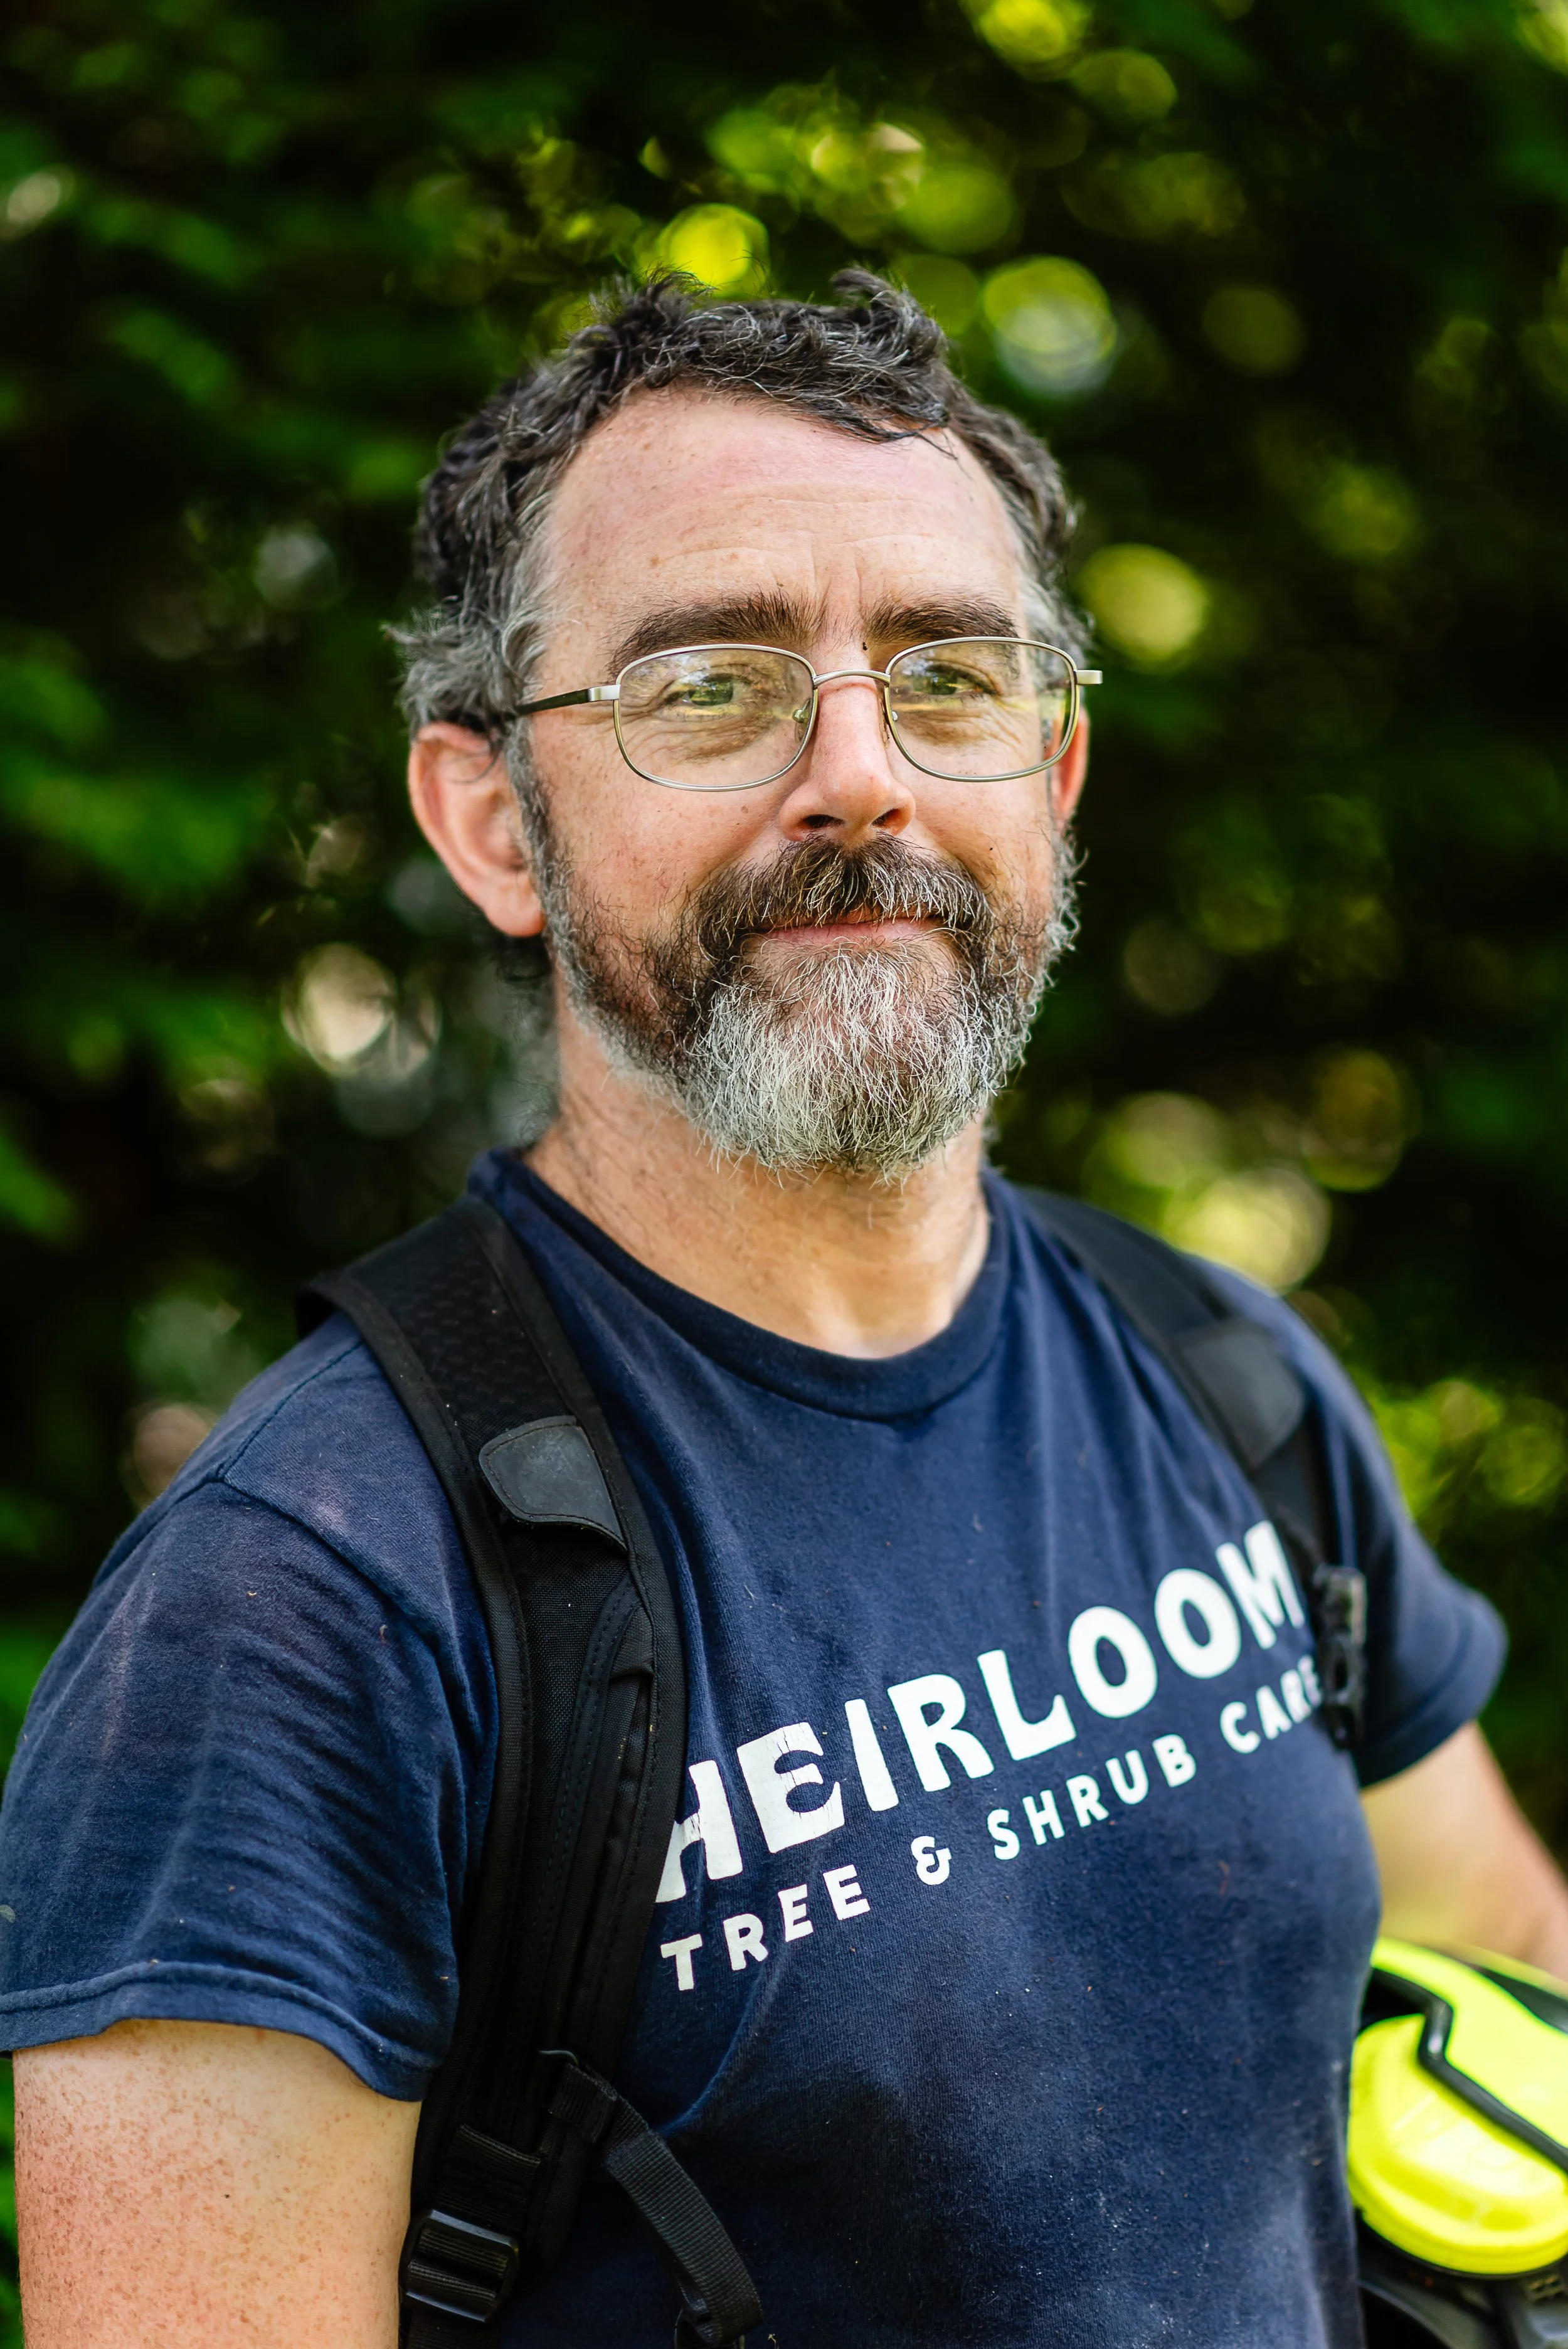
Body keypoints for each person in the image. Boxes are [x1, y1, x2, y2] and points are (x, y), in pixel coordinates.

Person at [3, 273, 1565, 2349]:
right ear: (494, 824)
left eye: (948, 676)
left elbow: (1499, 1954)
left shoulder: (1215, 1371)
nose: (860, 778)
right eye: (710, 687)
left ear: (1057, 769)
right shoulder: (299, 1610)